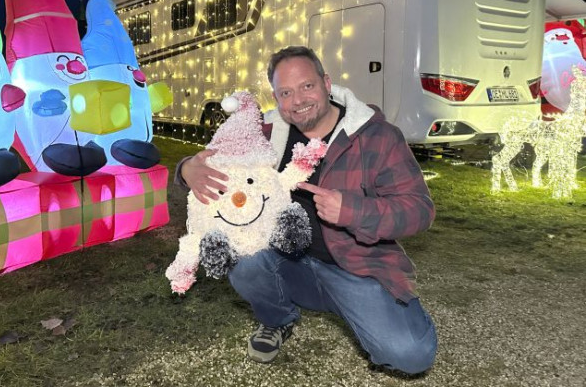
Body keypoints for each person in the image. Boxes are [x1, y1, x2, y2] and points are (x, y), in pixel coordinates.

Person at [176, 46, 437, 375]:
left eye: (307, 86)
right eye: (286, 92)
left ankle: (359, 308)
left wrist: (353, 211)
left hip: (356, 268)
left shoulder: (376, 136)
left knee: (411, 355)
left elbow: (419, 209)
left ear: (326, 83)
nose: (297, 100)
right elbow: (209, 161)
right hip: (286, 260)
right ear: (276, 97)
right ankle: (278, 319)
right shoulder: (264, 132)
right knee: (241, 256)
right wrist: (187, 168)